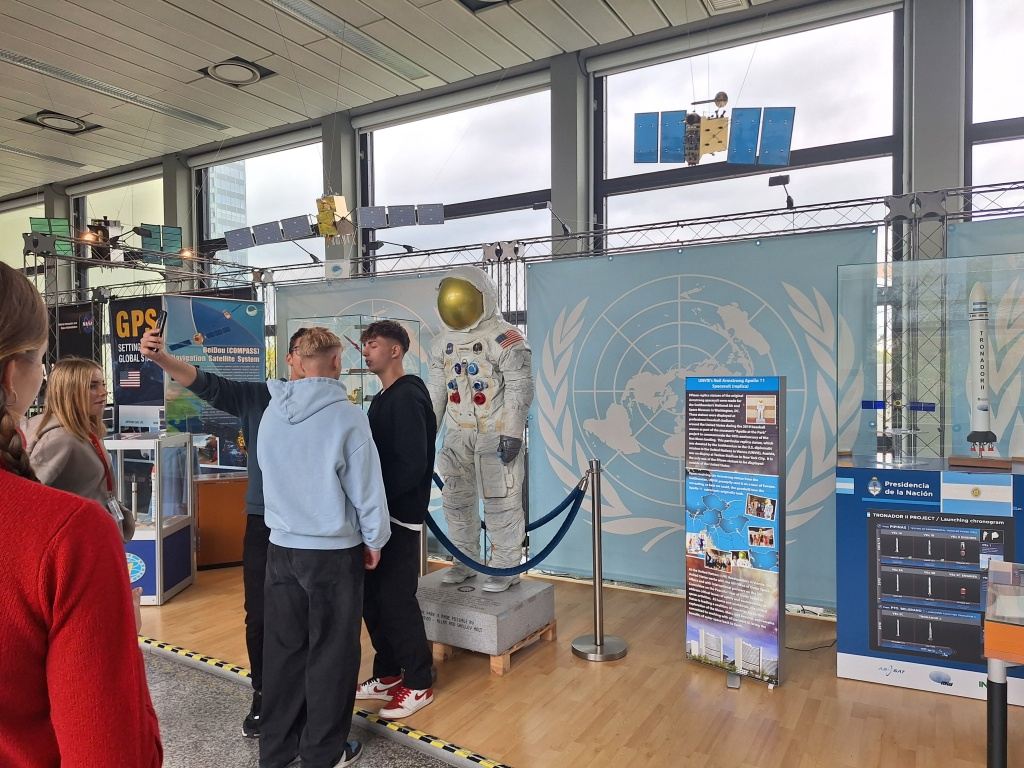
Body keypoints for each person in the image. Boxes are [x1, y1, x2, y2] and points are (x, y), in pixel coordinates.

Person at [0, 262, 162, 767]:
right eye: (40, 360)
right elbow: (106, 745)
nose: (102, 391)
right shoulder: (64, 530)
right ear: (12, 375)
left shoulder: (84, 440)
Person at [140, 323, 310, 737]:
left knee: (311, 612)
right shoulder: (259, 397)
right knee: (261, 614)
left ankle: (309, 695)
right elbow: (205, 383)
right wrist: (162, 358)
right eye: (305, 353)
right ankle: (265, 694)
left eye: (324, 355)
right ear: (290, 359)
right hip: (264, 523)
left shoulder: (339, 409)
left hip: (316, 528)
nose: (314, 364)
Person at [257, 327, 391, 768]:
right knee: (333, 652)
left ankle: (277, 750)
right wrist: (374, 540)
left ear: (296, 360)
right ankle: (322, 753)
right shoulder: (347, 417)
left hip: (280, 548)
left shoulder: (272, 412)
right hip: (332, 552)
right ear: (336, 362)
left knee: (284, 652)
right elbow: (366, 490)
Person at [426, 266, 535, 592]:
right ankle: (464, 561)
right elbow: (436, 392)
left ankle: (505, 566)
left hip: (495, 431)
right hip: (458, 432)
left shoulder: (506, 339)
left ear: (483, 297)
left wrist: (513, 433)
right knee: (456, 500)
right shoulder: (441, 343)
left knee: (501, 501)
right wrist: (426, 435)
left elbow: (520, 388)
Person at [355, 320, 437, 719]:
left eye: (372, 344)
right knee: (372, 598)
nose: (365, 351)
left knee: (396, 600)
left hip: (397, 518)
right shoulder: (382, 398)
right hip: (377, 517)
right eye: (364, 344)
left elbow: (411, 464)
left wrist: (375, 502)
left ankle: (419, 681)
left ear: (395, 350)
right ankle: (388, 671)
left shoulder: (407, 397)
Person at [25, 357, 135, 542]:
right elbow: (28, 500)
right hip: (78, 542)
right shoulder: (60, 438)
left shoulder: (83, 430)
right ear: (69, 391)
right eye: (92, 386)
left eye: (103, 384)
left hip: (94, 536)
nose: (103, 392)